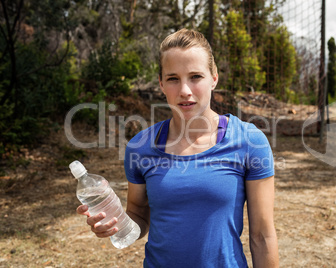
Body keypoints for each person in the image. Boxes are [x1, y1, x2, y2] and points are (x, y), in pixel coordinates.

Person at [77, 28, 279, 267]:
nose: (185, 91)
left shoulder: (249, 141)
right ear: (161, 84)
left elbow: (262, 236)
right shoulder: (140, 148)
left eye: (195, 76)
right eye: (173, 79)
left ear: (214, 78)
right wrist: (115, 224)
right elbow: (139, 216)